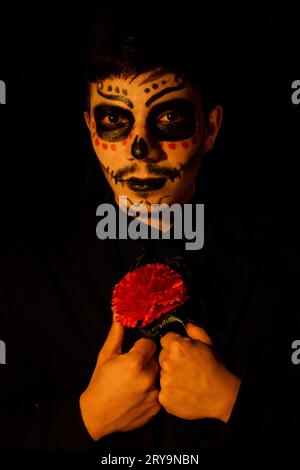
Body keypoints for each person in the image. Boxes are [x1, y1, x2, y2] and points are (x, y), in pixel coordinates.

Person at [0, 5, 298, 451]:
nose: (140, 149)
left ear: (210, 128)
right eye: (116, 120)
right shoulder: (21, 275)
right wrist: (84, 420)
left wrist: (237, 402)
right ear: (89, 127)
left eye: (168, 118)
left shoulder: (286, 263)